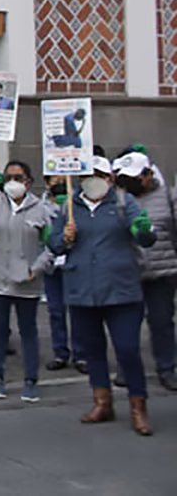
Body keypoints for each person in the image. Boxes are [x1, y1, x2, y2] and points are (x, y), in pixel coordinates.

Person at [49, 157, 157, 435]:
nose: (93, 179)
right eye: (88, 174)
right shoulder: (70, 206)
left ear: (109, 177)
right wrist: (64, 238)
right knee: (92, 350)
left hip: (122, 290)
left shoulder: (123, 203)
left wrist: (143, 230)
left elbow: (144, 235)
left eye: (99, 174)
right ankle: (102, 402)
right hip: (82, 289)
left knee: (127, 349)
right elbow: (54, 245)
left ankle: (138, 406)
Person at [0, 160, 52, 402]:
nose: (12, 182)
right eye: (8, 177)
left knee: (28, 331)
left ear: (28, 182)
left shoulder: (40, 209)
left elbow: (51, 245)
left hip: (27, 281)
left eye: (18, 177)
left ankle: (31, 380)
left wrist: (37, 269)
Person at [113, 151, 177, 392]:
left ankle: (167, 368)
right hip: (128, 272)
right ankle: (126, 368)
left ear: (148, 175)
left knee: (161, 322)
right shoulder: (119, 199)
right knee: (126, 324)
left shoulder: (168, 196)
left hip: (163, 271)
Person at [41, 175, 86, 373]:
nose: (58, 184)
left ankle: (81, 354)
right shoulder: (40, 204)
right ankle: (60, 352)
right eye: (54, 180)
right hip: (51, 264)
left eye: (62, 179)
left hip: (73, 264)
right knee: (56, 311)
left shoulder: (77, 202)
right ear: (47, 182)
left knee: (77, 311)